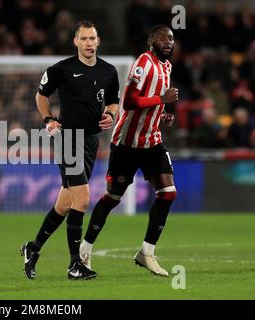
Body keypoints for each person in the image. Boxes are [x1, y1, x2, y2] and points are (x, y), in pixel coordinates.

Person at [21, 21, 120, 280]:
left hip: (91, 141)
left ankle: (32, 248)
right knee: (83, 200)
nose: (89, 43)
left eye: (93, 39)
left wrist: (110, 115)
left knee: (64, 204)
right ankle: (75, 264)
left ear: (98, 41)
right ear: (75, 41)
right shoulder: (61, 69)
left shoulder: (109, 71)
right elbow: (41, 96)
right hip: (67, 138)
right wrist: (47, 120)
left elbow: (113, 101)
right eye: (84, 39)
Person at [79, 24, 179, 277]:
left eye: (172, 39)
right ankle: (84, 250)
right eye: (163, 38)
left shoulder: (167, 67)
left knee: (168, 193)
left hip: (152, 141)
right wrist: (162, 100)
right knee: (113, 198)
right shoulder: (143, 63)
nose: (169, 42)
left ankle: (147, 252)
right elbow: (130, 101)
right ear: (151, 40)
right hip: (127, 144)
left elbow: (155, 103)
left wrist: (164, 115)